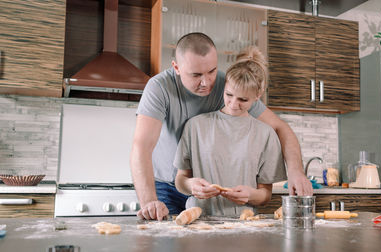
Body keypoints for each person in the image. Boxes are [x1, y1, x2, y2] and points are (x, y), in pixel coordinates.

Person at [130, 32, 311, 221]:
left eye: (212, 71)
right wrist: (150, 201)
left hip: (211, 192)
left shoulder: (229, 86)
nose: (206, 82)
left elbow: (280, 128)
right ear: (176, 67)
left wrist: (296, 172)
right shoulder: (159, 88)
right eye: (196, 75)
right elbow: (141, 147)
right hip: (167, 184)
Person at [174, 46, 286, 215]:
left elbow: (265, 195)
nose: (234, 104)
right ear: (224, 86)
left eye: (243, 99)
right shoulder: (195, 126)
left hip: (244, 225)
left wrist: (250, 195)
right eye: (229, 94)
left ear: (258, 95)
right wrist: (192, 186)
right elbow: (180, 180)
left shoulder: (266, 134)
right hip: (200, 223)